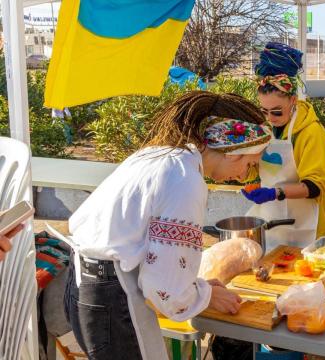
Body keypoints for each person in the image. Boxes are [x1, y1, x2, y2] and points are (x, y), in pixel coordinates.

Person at [63, 91, 272, 359]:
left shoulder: (159, 156)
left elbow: (150, 251)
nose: (244, 175)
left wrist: (196, 286)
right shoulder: (184, 179)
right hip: (112, 294)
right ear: (233, 152)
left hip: (85, 283)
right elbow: (165, 288)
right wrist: (205, 296)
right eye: (249, 163)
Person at [242, 42, 325, 251]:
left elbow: (315, 186)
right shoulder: (266, 128)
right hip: (269, 219)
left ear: (293, 100)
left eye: (276, 112)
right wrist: (248, 176)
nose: (270, 118)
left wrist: (276, 193)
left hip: (306, 226)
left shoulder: (312, 132)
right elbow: (258, 169)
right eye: (264, 111)